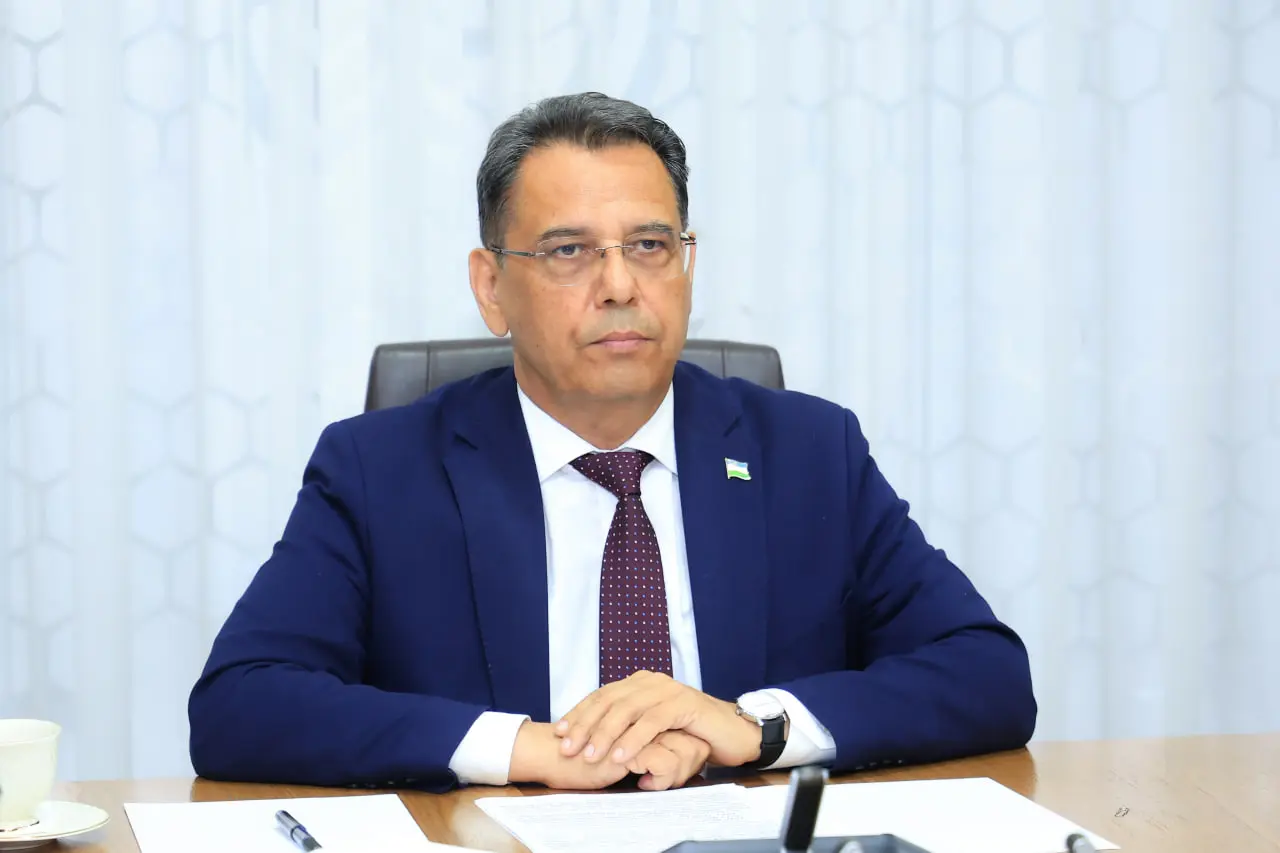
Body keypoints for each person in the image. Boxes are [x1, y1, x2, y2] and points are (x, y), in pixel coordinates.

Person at [188, 92, 1036, 794]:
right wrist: (528, 747)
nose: (621, 284)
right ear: (492, 287)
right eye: (570, 251)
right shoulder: (381, 470)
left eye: (650, 245)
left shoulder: (810, 453)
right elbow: (240, 704)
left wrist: (754, 726)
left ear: (687, 265)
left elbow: (986, 673)